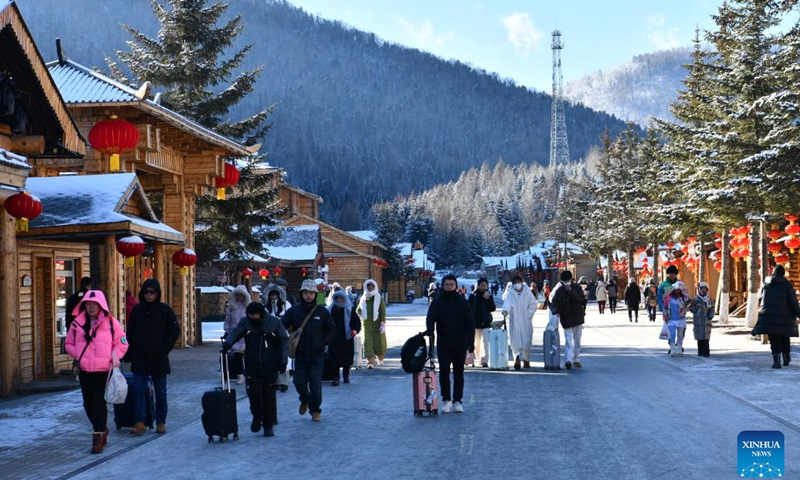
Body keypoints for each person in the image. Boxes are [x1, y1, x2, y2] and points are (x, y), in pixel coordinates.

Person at [65, 290, 128, 454]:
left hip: (103, 369)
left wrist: (113, 357)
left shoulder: (111, 323)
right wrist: (80, 355)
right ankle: (101, 427)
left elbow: (122, 343)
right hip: (85, 370)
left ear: (101, 306)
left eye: (94, 305)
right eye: (88, 304)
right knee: (87, 403)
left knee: (98, 402)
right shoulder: (76, 323)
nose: (91, 307)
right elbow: (68, 344)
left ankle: (98, 435)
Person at [221, 302, 288, 437]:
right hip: (252, 364)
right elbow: (236, 332)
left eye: (254, 316)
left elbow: (284, 340)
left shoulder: (274, 323)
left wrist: (283, 361)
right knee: (254, 393)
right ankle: (257, 416)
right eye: (250, 316)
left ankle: (268, 425)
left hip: (270, 364)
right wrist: (227, 344)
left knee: (269, 396)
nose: (252, 319)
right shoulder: (246, 322)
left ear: (261, 314)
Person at [126, 279, 180, 435]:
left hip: (158, 358)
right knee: (137, 390)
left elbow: (174, 331)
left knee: (160, 392)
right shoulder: (137, 310)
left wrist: (165, 348)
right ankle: (139, 422)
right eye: (146, 292)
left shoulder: (165, 310)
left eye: (152, 292)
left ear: (158, 293)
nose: (149, 295)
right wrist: (132, 348)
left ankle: (161, 422)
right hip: (140, 357)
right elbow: (130, 332)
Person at [282, 279, 335, 422]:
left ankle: (315, 410)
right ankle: (304, 399)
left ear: (315, 294)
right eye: (305, 293)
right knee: (299, 382)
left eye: (311, 293)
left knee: (315, 383)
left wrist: (324, 342)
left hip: (317, 354)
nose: (308, 296)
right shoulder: (294, 311)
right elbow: (281, 326)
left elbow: (332, 329)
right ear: (301, 294)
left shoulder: (322, 312)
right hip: (300, 354)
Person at [425, 274, 474, 414]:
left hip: (460, 342)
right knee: (444, 371)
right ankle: (446, 399)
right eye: (447, 285)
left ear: (456, 286)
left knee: (459, 372)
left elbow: (470, 323)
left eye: (452, 285)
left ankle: (458, 400)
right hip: (444, 342)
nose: (449, 287)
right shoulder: (437, 302)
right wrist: (429, 330)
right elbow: (430, 317)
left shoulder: (463, 303)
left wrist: (470, 343)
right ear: (443, 285)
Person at [753, 265, 800, 369]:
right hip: (785, 317)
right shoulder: (787, 285)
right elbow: (793, 302)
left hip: (769, 316)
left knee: (774, 338)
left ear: (773, 273)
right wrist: (798, 313)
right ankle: (786, 357)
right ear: (783, 274)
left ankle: (776, 361)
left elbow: (760, 299)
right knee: (784, 337)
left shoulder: (766, 284)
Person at [549, 271, 587, 369]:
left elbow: (581, 300)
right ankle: (568, 360)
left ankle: (576, 359)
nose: (567, 282)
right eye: (565, 280)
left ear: (571, 279)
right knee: (568, 340)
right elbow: (554, 303)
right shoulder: (559, 290)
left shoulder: (577, 288)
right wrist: (556, 311)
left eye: (568, 280)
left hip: (577, 317)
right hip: (566, 318)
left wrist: (571, 291)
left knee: (577, 340)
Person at [501, 274, 537, 370]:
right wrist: (505, 310)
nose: (517, 284)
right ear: (513, 284)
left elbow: (533, 304)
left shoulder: (527, 292)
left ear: (522, 282)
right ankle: (516, 357)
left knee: (527, 340)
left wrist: (528, 314)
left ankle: (526, 360)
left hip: (526, 321)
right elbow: (507, 303)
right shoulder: (510, 293)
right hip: (515, 320)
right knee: (515, 340)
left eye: (519, 282)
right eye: (515, 283)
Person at [326, 290, 361, 385]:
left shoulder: (349, 309)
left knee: (346, 358)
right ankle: (336, 377)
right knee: (334, 358)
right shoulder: (330, 309)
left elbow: (356, 321)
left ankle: (346, 375)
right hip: (334, 338)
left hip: (346, 337)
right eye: (338, 298)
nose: (340, 300)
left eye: (342, 298)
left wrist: (355, 330)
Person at [356, 279, 386, 369]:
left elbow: (382, 310)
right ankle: (370, 362)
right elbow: (358, 310)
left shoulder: (378, 298)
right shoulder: (363, 299)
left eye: (371, 287)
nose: (370, 289)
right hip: (367, 324)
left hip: (377, 323)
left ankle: (380, 357)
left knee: (379, 341)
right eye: (368, 288)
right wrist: (362, 315)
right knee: (368, 342)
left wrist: (382, 322)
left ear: (374, 287)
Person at [223, 285, 250, 385]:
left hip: (247, 335)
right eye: (237, 295)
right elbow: (227, 321)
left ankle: (249, 375)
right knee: (237, 358)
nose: (239, 297)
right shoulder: (231, 307)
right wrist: (226, 332)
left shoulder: (249, 307)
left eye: (241, 295)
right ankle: (240, 376)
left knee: (248, 357)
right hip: (235, 335)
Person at [468, 277, 496, 368]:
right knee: (476, 343)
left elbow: (492, 308)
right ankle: (479, 358)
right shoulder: (473, 295)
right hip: (475, 323)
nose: (483, 287)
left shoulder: (489, 295)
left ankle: (484, 360)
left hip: (486, 322)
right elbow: (468, 308)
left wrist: (487, 299)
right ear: (478, 286)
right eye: (481, 285)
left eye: (485, 285)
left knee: (486, 342)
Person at [662, 280, 690, 357]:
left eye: (680, 290)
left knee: (680, 335)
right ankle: (672, 349)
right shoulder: (669, 298)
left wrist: (685, 292)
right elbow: (665, 307)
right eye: (677, 290)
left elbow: (688, 300)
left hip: (681, 319)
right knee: (672, 334)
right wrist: (665, 316)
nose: (678, 292)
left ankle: (679, 349)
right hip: (671, 319)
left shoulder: (683, 298)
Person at [689, 281, 714, 357]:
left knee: (706, 337)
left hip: (707, 321)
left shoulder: (709, 299)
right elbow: (691, 309)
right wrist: (695, 308)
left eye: (705, 289)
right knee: (700, 337)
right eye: (702, 289)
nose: (703, 290)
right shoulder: (696, 299)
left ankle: (706, 352)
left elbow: (712, 308)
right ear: (699, 289)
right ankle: (700, 352)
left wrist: (711, 315)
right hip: (698, 321)